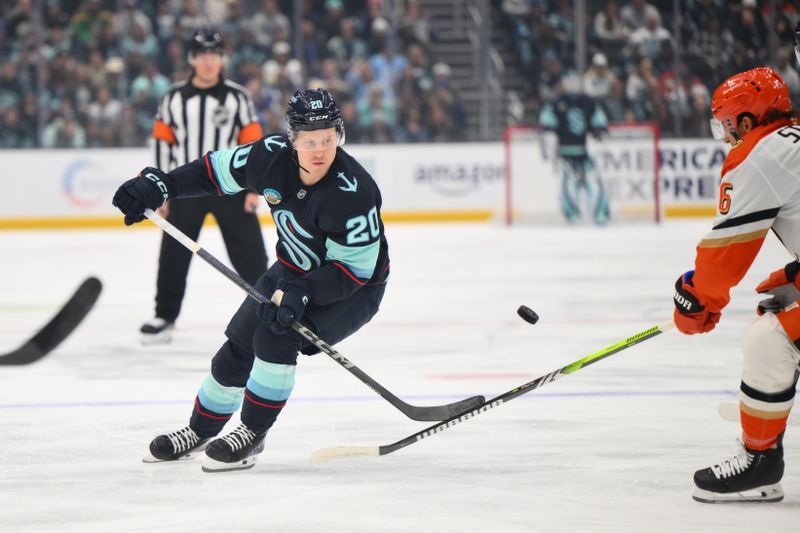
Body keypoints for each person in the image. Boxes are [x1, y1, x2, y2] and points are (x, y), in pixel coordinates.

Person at [112, 88, 390, 472]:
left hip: (352, 290)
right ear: (292, 138)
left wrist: (305, 294)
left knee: (276, 335)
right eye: (310, 141)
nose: (320, 150)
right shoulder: (269, 157)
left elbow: (355, 270)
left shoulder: (354, 192)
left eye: (328, 139)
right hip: (292, 270)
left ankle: (252, 433)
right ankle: (200, 430)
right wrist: (161, 185)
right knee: (238, 345)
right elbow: (212, 171)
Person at [672, 67, 800, 503]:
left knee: (769, 340)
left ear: (746, 121)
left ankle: (759, 464)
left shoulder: (759, 156)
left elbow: (723, 257)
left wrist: (695, 300)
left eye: (727, 124)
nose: (727, 137)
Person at [141, 29, 269, 344]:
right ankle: (164, 316)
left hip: (232, 188)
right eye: (202, 55)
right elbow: (162, 143)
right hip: (184, 188)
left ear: (223, 59)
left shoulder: (238, 97)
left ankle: (267, 311)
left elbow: (251, 144)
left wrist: (254, 188)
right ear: (192, 60)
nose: (208, 61)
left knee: (252, 255)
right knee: (173, 254)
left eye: (214, 55)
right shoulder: (172, 97)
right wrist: (160, 189)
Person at [538, 75, 610, 225]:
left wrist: (599, 128)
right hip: (565, 153)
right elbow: (546, 124)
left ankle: (598, 213)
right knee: (569, 183)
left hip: (581, 152)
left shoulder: (585, 102)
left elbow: (598, 120)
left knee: (592, 181)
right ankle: (574, 214)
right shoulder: (558, 103)